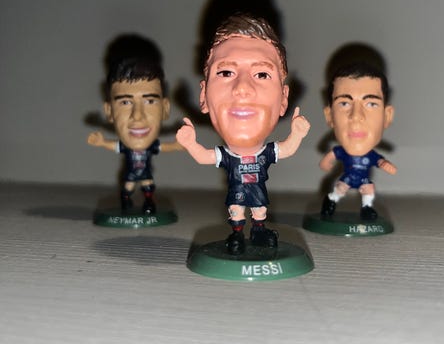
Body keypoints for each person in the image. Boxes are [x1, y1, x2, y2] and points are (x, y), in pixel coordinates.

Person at [176, 14, 310, 255]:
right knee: (236, 210)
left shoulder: (265, 153)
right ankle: (237, 234)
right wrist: (190, 144)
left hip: (257, 190)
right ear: (203, 96)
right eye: (226, 72)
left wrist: (297, 135)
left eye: (262, 74)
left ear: (284, 99)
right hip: (237, 190)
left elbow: (287, 149)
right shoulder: (228, 156)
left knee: (259, 210)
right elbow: (204, 156)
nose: (243, 89)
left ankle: (259, 230)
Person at [88, 57, 182, 214]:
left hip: (145, 172)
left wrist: (177, 146)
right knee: (128, 187)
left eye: (149, 101)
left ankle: (149, 202)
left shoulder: (150, 147)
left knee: (148, 186)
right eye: (125, 102)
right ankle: (126, 200)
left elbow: (163, 147)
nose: (137, 116)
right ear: (109, 111)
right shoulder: (126, 147)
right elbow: (115, 146)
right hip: (131, 173)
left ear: (165, 109)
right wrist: (102, 142)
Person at [320, 62, 396, 221]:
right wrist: (326, 162)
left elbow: (379, 161)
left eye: (371, 104)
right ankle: (331, 200)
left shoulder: (371, 155)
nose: (356, 116)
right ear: (329, 116)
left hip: (363, 179)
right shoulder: (342, 151)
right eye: (344, 103)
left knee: (369, 189)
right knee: (340, 189)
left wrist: (385, 164)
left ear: (387, 116)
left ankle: (367, 207)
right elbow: (333, 155)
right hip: (347, 178)